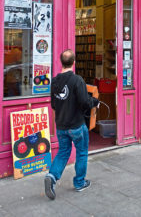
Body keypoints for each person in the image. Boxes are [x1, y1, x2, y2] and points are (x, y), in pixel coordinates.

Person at [44, 50, 99, 200]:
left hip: (61, 125)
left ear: (61, 62)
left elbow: (54, 104)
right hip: (76, 125)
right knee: (81, 152)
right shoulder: (77, 80)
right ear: (74, 63)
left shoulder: (55, 81)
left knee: (63, 152)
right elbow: (84, 102)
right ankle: (79, 182)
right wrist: (95, 102)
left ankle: (52, 176)